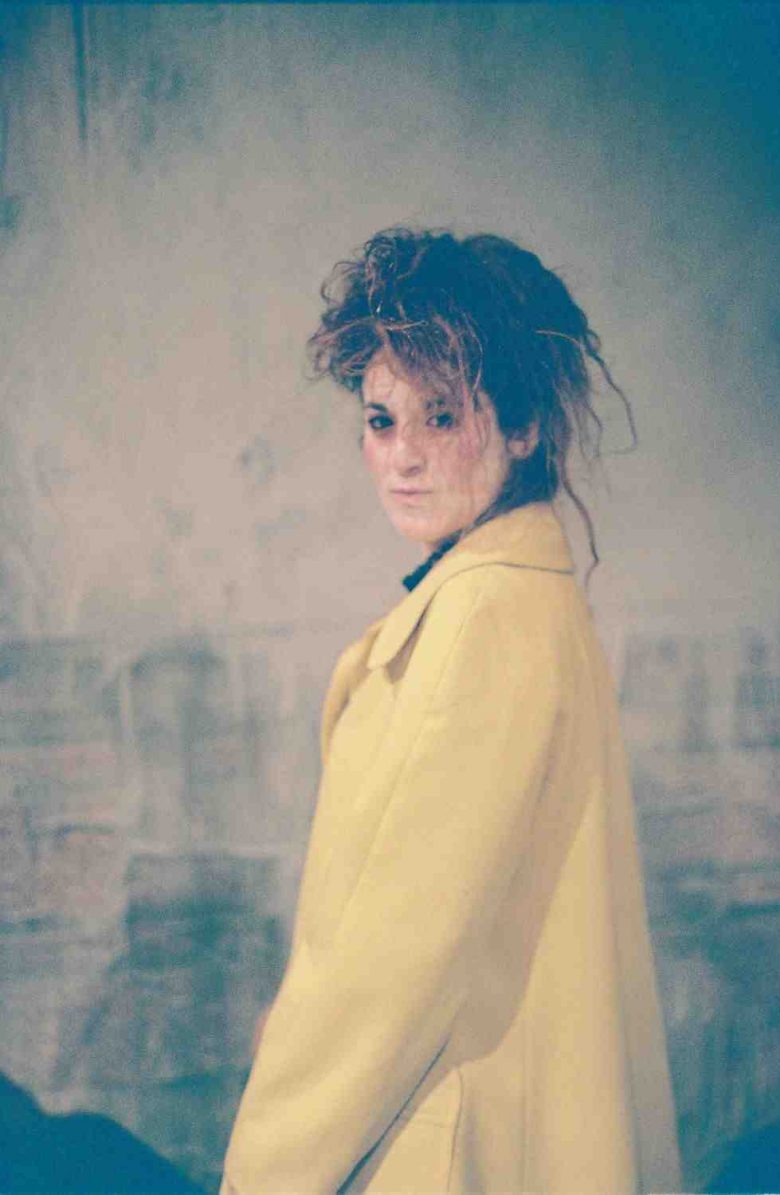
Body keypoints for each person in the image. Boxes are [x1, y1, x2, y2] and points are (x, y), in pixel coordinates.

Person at [221, 228, 682, 1194]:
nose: (404, 457)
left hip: (443, 1143)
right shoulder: (517, 596)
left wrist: (265, 1167)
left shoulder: (487, 616)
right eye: (381, 419)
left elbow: (395, 959)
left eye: (442, 416)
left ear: (522, 428)